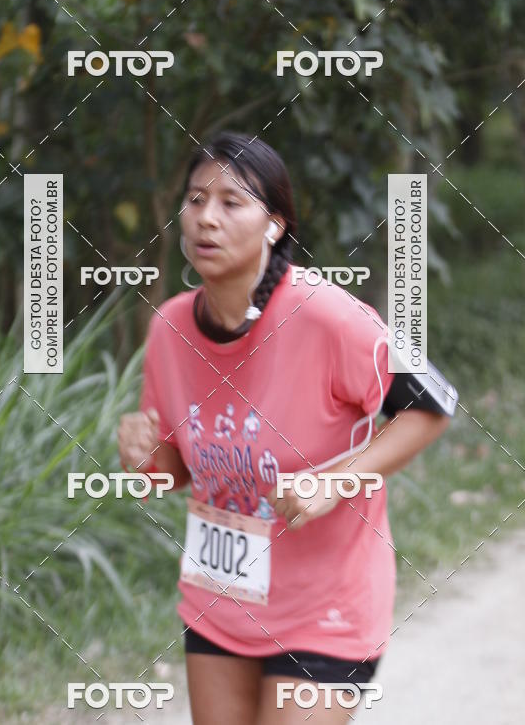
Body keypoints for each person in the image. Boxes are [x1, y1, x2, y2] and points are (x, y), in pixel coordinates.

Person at [117, 131, 451, 724]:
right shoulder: (169, 329)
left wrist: (336, 481)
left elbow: (430, 404)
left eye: (231, 202)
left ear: (274, 225)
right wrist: (143, 457)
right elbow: (176, 472)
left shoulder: (327, 316)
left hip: (327, 607)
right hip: (221, 597)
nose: (206, 218)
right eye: (195, 200)